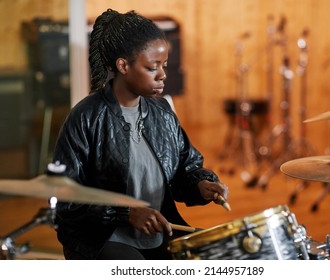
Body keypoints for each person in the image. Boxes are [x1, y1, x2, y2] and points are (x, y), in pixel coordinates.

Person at [52, 8, 229, 260]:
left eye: (164, 65)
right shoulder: (85, 117)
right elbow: (66, 196)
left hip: (159, 233)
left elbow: (185, 169)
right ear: (123, 65)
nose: (163, 74)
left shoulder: (163, 112)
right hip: (102, 239)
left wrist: (201, 184)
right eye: (152, 67)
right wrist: (125, 213)